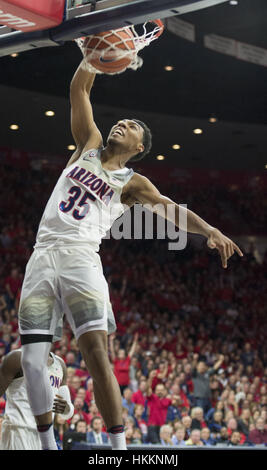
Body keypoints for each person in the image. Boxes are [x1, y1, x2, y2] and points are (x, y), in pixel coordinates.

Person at [17, 61, 243, 450]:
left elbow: (171, 208)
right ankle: (47, 442)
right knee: (32, 362)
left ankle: (119, 448)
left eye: (132, 126)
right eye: (121, 121)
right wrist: (90, 55)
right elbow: (79, 91)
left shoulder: (132, 182)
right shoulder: (87, 144)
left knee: (95, 355)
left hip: (81, 259)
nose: (122, 123)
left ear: (139, 148)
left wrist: (209, 230)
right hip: (42, 256)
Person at [0, 348, 73, 450]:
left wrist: (66, 409)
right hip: (18, 431)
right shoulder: (17, 357)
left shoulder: (60, 363)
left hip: (45, 434)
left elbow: (68, 412)